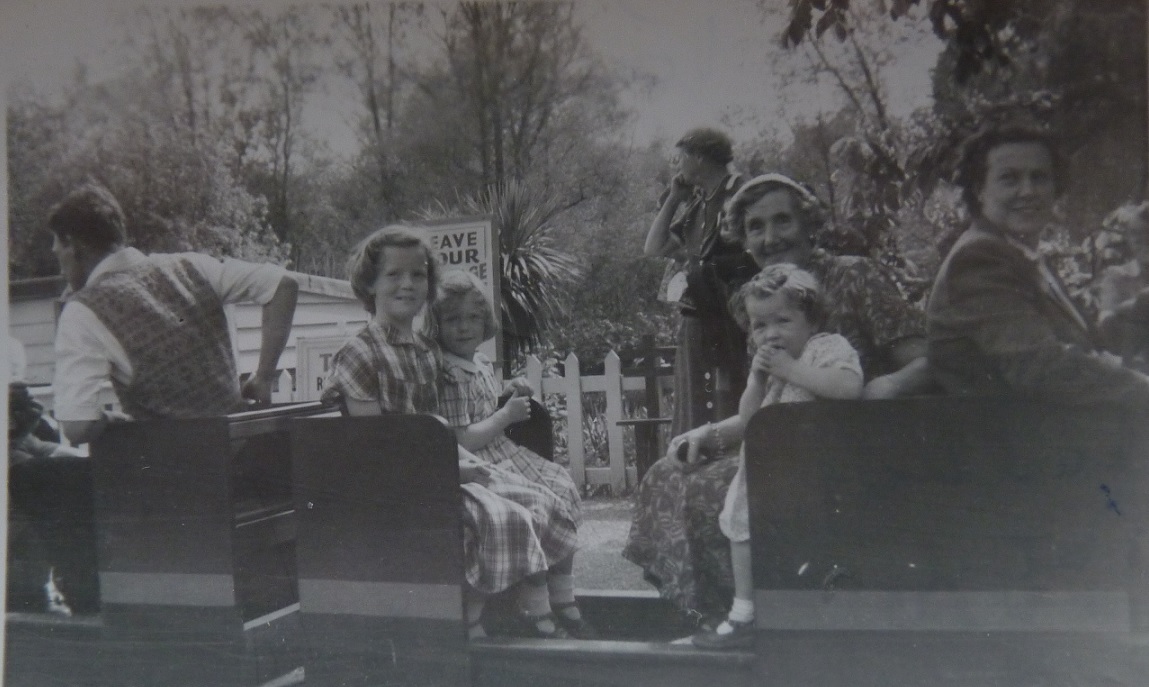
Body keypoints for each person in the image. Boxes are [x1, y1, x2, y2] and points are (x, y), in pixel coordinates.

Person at [624, 172, 932, 624]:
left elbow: (926, 362)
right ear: (743, 238)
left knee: (711, 493)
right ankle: (711, 616)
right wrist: (709, 433)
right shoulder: (765, 300)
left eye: (782, 220)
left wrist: (886, 387)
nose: (770, 237)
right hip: (783, 439)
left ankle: (766, 620)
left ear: (808, 224)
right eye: (756, 227)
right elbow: (772, 399)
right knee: (667, 473)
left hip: (852, 442)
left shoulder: (854, 276)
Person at [320, 226, 580, 640]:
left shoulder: (424, 351)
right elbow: (373, 448)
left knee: (541, 498)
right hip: (396, 484)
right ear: (369, 283)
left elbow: (437, 421)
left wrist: (460, 460)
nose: (407, 284)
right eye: (393, 275)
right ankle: (471, 625)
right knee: (502, 514)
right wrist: (451, 470)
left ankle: (522, 603)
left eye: (418, 274)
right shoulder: (361, 351)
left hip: (438, 466)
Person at [692, 264, 862, 649]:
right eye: (759, 326)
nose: (770, 334)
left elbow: (849, 386)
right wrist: (756, 380)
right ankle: (744, 612)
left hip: (819, 466)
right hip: (772, 468)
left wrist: (793, 370)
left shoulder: (826, 347)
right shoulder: (772, 368)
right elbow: (752, 418)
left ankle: (801, 617)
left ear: (812, 319)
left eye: (782, 321)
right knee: (742, 525)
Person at [50, 182, 298, 444]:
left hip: (172, 473)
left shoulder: (83, 312)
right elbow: (284, 285)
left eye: (56, 246)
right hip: (240, 456)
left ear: (73, 245)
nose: (57, 259)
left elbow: (76, 426)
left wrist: (111, 420)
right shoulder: (189, 266)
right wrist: (264, 377)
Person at [928, 123, 1149, 407]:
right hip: (1014, 443)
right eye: (1010, 179)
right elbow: (1041, 367)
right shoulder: (979, 258)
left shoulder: (1019, 254)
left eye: (1040, 177)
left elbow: (1089, 346)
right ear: (979, 190)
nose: (1028, 191)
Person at [432, 269, 595, 639]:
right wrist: (504, 415)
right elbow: (461, 437)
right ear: (437, 324)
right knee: (536, 505)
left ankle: (561, 592)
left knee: (563, 488)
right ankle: (535, 603)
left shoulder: (478, 363)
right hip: (479, 459)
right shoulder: (447, 373)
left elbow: (485, 399)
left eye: (473, 318)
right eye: (452, 319)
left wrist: (511, 388)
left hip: (504, 451)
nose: (464, 327)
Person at [644, 127, 746, 435]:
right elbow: (654, 248)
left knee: (733, 406)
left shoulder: (740, 193)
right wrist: (674, 198)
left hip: (735, 322)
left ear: (700, 158)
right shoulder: (699, 205)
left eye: (680, 158)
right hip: (699, 321)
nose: (675, 166)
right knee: (695, 410)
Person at [1094, 201, 1149, 370]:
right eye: (1138, 239)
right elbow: (1106, 323)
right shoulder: (1117, 276)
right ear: (1129, 240)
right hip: (1132, 364)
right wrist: (1139, 303)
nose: (1144, 246)